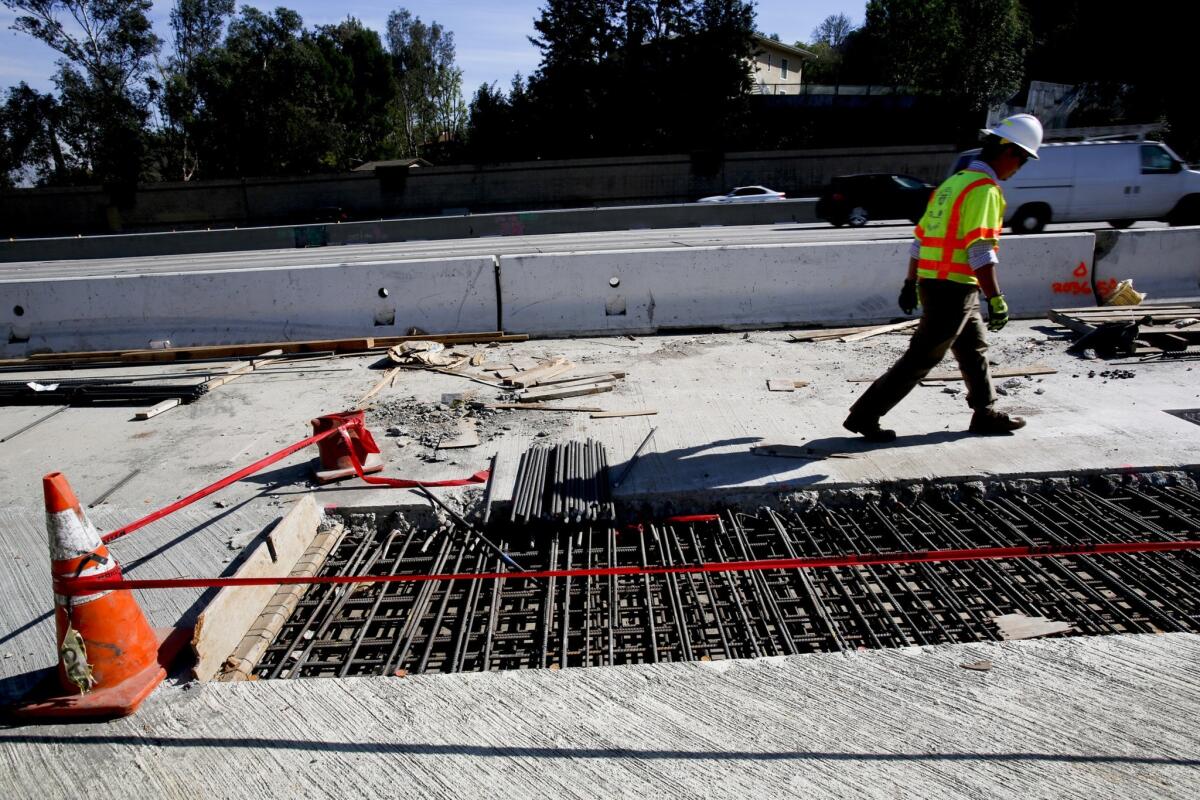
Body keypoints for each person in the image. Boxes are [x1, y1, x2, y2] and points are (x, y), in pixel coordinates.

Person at [843, 113, 1044, 442]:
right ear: (1009, 152)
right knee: (921, 358)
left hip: (939, 285)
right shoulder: (984, 190)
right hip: (954, 289)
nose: (1018, 169)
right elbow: (980, 251)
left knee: (974, 347)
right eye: (1022, 161)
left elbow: (920, 240)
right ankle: (865, 415)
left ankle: (985, 412)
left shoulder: (951, 186)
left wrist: (911, 283)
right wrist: (996, 297)